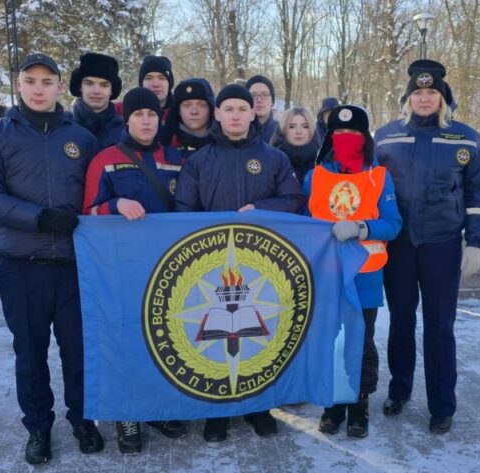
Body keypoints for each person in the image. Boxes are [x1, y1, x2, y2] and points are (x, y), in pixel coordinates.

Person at [0, 53, 103, 464]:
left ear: (60, 86)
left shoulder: (81, 138)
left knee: (78, 351)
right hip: (20, 264)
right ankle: (38, 427)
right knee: (30, 353)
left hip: (74, 266)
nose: (39, 89)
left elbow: (99, 194)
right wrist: (40, 218)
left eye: (47, 81)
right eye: (31, 81)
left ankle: (83, 418)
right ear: (19, 84)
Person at [174, 83, 305, 442]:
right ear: (217, 114)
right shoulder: (199, 161)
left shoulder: (274, 158)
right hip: (211, 267)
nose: (235, 115)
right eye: (228, 108)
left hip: (260, 265)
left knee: (257, 335)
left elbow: (294, 200)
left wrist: (261, 209)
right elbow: (183, 210)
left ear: (253, 113)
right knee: (217, 337)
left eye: (242, 109)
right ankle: (218, 412)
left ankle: (258, 406)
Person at [374, 59, 480, 434]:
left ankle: (442, 404)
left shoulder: (465, 138)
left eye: (431, 93)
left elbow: (478, 193)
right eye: (418, 93)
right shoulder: (386, 137)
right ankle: (399, 389)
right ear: (407, 98)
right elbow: (368, 188)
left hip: (442, 243)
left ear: (443, 99)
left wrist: (475, 242)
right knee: (400, 320)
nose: (424, 99)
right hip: (398, 245)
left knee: (440, 324)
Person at [82, 87, 188, 453]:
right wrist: (115, 205)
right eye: (138, 115)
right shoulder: (106, 159)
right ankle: (125, 414)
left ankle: (157, 408)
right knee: (125, 339)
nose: (146, 121)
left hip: (168, 266)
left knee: (163, 338)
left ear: (160, 118)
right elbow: (87, 213)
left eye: (152, 114)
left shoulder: (176, 158)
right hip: (121, 269)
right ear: (126, 120)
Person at [304, 105, 401, 438]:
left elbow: (393, 224)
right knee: (330, 338)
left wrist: (361, 228)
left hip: (365, 274)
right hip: (326, 274)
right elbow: (303, 222)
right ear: (330, 138)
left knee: (361, 341)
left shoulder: (379, 176)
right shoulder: (315, 176)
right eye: (339, 134)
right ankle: (333, 402)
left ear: (365, 137)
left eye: (354, 133)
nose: (346, 139)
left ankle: (359, 403)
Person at [69, 52, 124, 150]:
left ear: (112, 90)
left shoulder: (126, 132)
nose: (96, 91)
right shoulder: (63, 129)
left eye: (104, 85)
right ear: (80, 86)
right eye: (89, 83)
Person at [160, 78, 216, 159]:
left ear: (210, 108)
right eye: (187, 105)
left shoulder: (225, 144)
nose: (194, 112)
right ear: (178, 111)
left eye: (201, 105)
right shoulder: (164, 146)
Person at [276, 106, 320, 183]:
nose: (298, 131)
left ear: (312, 129)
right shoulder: (272, 161)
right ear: (283, 129)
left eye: (305, 126)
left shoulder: (325, 162)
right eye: (292, 126)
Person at [246, 75, 280, 144]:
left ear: (272, 101)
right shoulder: (237, 130)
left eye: (264, 95)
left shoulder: (283, 131)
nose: (259, 100)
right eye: (253, 95)